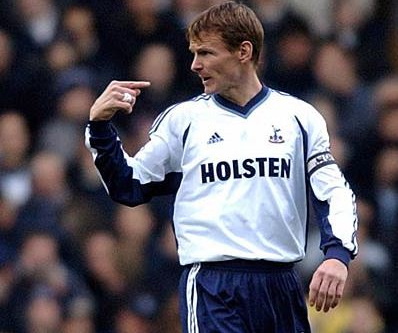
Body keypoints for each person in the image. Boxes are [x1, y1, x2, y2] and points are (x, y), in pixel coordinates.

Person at [85, 2, 358, 332]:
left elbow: (333, 192)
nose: (195, 65)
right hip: (213, 283)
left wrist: (337, 255)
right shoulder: (183, 122)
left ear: (243, 51)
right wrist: (100, 128)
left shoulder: (299, 118)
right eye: (193, 54)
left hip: (280, 283)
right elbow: (127, 185)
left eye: (206, 54)